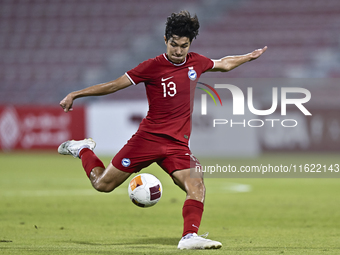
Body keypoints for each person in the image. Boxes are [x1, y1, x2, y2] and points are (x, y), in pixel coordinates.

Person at [58, 10, 267, 250]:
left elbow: (224, 63)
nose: (179, 51)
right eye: (174, 45)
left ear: (190, 44)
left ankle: (189, 237)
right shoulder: (151, 67)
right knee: (102, 184)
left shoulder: (196, 62)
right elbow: (114, 85)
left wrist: (248, 57)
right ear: (166, 40)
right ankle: (84, 149)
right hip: (148, 139)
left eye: (184, 46)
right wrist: (76, 94)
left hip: (177, 146)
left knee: (197, 185)